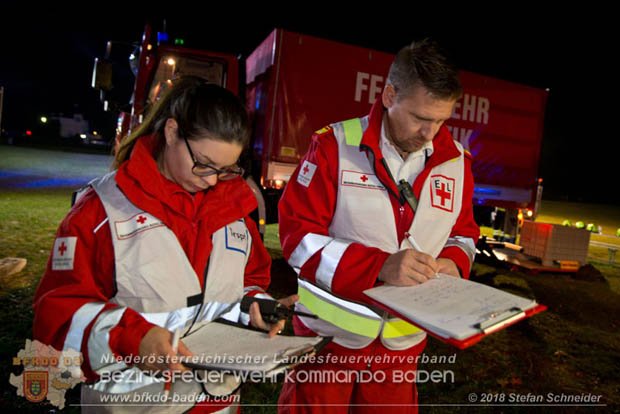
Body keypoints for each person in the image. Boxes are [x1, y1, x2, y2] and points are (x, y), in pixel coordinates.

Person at [33, 77, 295, 414]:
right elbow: (57, 319)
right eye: (203, 163)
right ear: (171, 132)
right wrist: (133, 339)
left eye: (227, 168)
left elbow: (246, 281)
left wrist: (255, 306)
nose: (212, 180)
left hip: (219, 405)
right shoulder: (101, 211)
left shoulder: (235, 210)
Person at [277, 39, 480, 413]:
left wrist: (453, 263)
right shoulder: (333, 146)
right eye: (420, 118)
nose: (430, 133)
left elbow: (464, 234)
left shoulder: (457, 161)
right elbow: (298, 239)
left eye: (441, 120)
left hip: (402, 347)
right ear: (389, 95)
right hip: (328, 340)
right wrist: (378, 267)